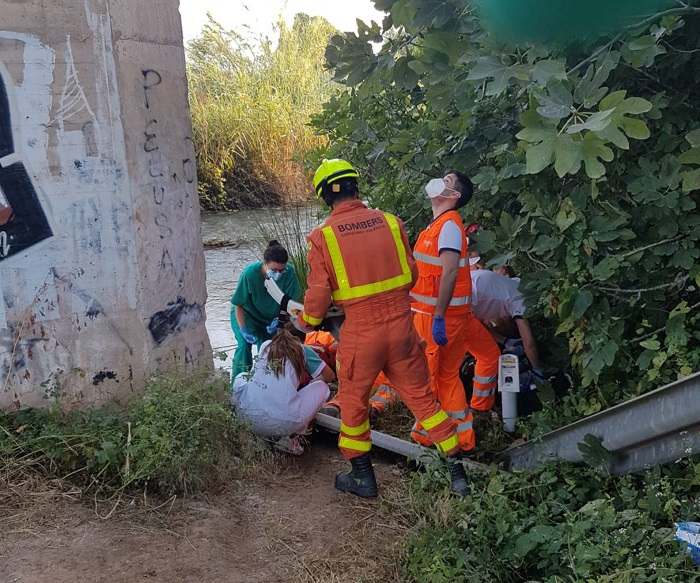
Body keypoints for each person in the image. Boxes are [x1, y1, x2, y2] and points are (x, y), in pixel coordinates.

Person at [296, 158, 470, 498]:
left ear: (325, 196)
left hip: (362, 335)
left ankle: (362, 477)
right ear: (355, 187)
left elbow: (317, 298)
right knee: (424, 401)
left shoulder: (322, 237)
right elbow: (412, 276)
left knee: (354, 405)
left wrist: (304, 323)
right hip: (403, 329)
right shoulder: (391, 222)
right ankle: (458, 474)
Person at [410, 171, 501, 456]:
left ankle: (439, 437)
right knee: (444, 377)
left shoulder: (448, 226)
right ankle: (460, 436)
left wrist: (437, 315)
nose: (440, 181)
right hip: (441, 315)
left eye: (447, 181)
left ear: (454, 195)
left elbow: (449, 272)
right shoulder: (438, 225)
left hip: (439, 318)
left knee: (436, 379)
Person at [231, 324, 335, 455]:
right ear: (302, 340)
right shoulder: (302, 350)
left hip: (246, 418)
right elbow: (329, 376)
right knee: (322, 387)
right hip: (283, 423)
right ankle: (290, 439)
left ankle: (260, 437)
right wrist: (311, 383)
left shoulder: (265, 345)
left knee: (242, 377)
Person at [230, 240, 301, 377]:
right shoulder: (250, 274)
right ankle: (238, 387)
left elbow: (292, 303)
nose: (278, 274)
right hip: (246, 315)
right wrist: (243, 329)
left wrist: (280, 320)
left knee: (268, 351)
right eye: (274, 270)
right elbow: (238, 304)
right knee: (244, 346)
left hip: (270, 319)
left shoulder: (289, 272)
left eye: (282, 270)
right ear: (265, 263)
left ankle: (262, 384)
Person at [470, 268, 542, 378]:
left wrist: (507, 342)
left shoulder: (511, 283)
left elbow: (476, 324)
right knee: (489, 358)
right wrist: (537, 370)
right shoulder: (521, 298)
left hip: (456, 288)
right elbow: (529, 342)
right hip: (459, 300)